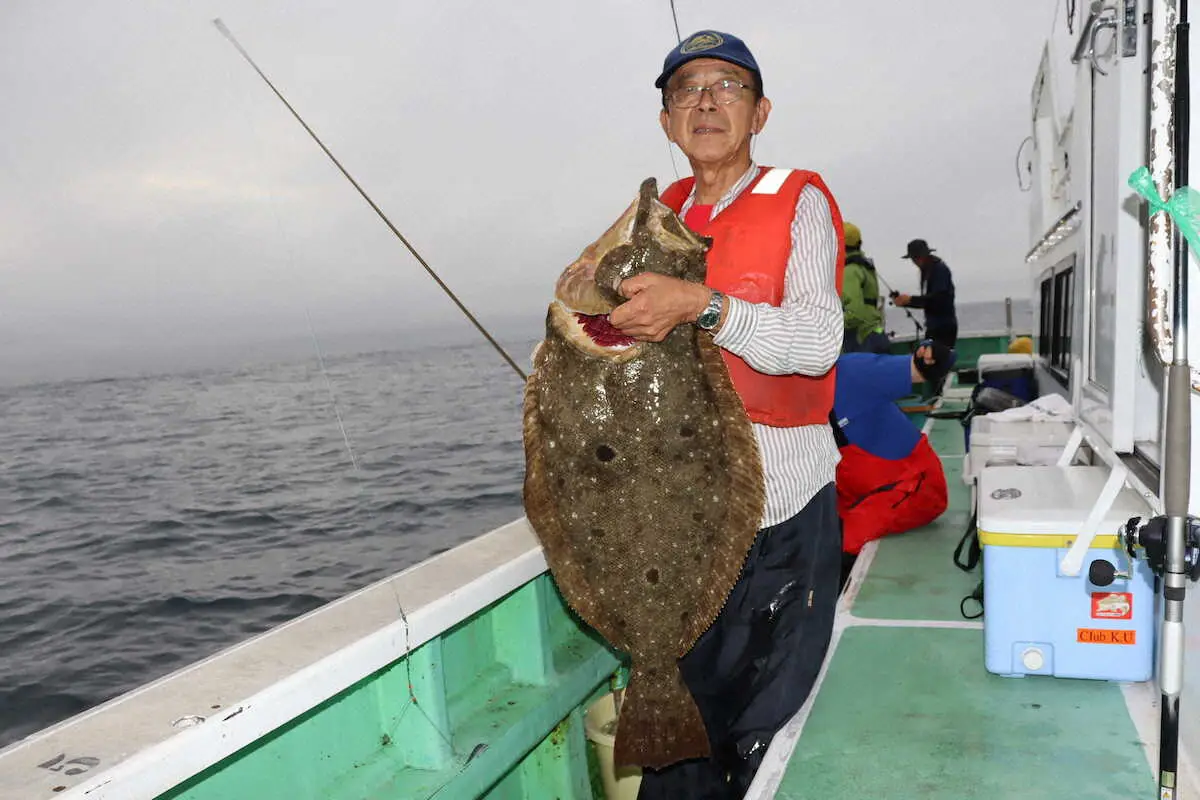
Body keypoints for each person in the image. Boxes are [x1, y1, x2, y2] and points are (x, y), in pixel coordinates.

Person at [607, 29, 844, 799]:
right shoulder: (649, 215)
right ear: (667, 120)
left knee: (763, 728)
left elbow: (816, 342)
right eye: (687, 90)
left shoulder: (798, 201)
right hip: (673, 517)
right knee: (685, 727)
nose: (706, 102)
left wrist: (704, 306)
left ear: (761, 111)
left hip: (780, 511)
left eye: (728, 87)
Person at [833, 342, 955, 585]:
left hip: (912, 486)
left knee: (839, 542)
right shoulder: (778, 398)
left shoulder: (852, 372)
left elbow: (924, 367)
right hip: (853, 494)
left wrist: (930, 356)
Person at [892, 238, 957, 348]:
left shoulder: (940, 270)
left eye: (917, 258)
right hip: (934, 327)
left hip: (943, 328)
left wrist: (910, 300)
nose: (916, 262)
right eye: (914, 259)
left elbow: (938, 300)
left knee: (936, 361)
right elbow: (927, 302)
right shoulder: (927, 271)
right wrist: (905, 302)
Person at [840, 221, 889, 353]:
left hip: (860, 339)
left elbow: (855, 314)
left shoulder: (849, 271)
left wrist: (829, 322)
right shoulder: (865, 267)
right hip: (874, 332)